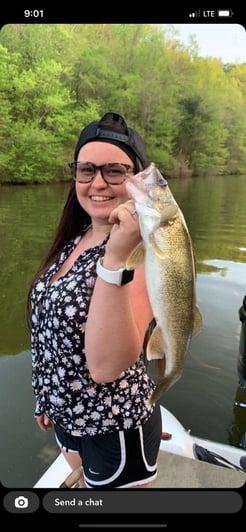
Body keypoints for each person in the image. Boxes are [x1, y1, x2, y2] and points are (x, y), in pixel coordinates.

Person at [27, 111, 162, 489]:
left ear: (136, 179)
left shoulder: (143, 253)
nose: (98, 183)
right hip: (68, 418)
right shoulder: (76, 237)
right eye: (87, 170)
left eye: (114, 171)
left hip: (115, 429)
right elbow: (47, 326)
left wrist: (116, 258)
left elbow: (105, 368)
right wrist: (46, 396)